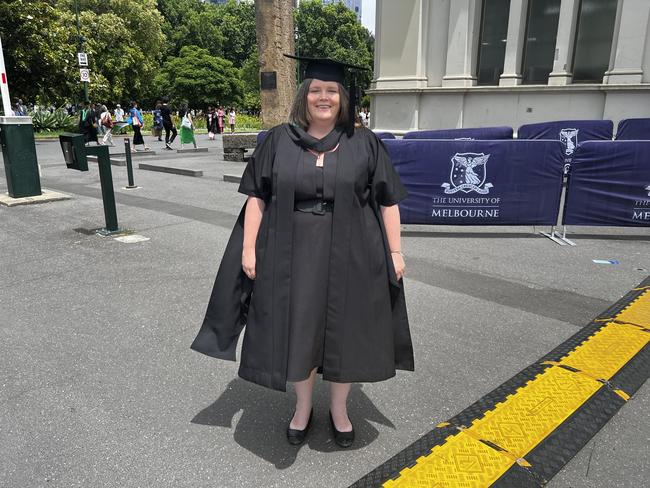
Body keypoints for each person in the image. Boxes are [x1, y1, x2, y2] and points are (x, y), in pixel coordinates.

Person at [191, 56, 414, 449]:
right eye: (315, 90)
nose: (323, 98)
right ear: (304, 96)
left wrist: (395, 252)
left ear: (343, 98)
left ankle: (340, 410)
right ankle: (303, 407)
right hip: (292, 252)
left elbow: (388, 201)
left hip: (354, 252)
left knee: (346, 332)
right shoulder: (279, 139)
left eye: (331, 91)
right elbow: (257, 197)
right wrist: (248, 249)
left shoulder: (364, 142)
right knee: (299, 332)